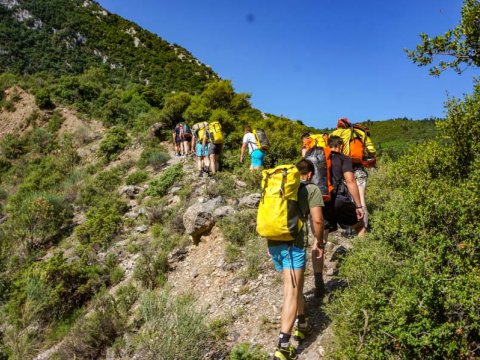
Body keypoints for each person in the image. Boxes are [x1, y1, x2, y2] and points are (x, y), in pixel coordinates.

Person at [269, 159, 324, 360]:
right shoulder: (311, 189)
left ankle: (302, 324)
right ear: (309, 174)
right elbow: (317, 220)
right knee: (290, 293)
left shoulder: (280, 186)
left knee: (296, 286)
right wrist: (320, 242)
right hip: (294, 244)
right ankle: (283, 347)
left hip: (274, 240)